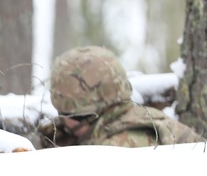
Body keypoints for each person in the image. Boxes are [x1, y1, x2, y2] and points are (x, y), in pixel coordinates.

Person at [48, 45, 202, 147]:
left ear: (91, 114)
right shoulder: (134, 117)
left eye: (68, 115)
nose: (64, 121)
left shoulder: (125, 143)